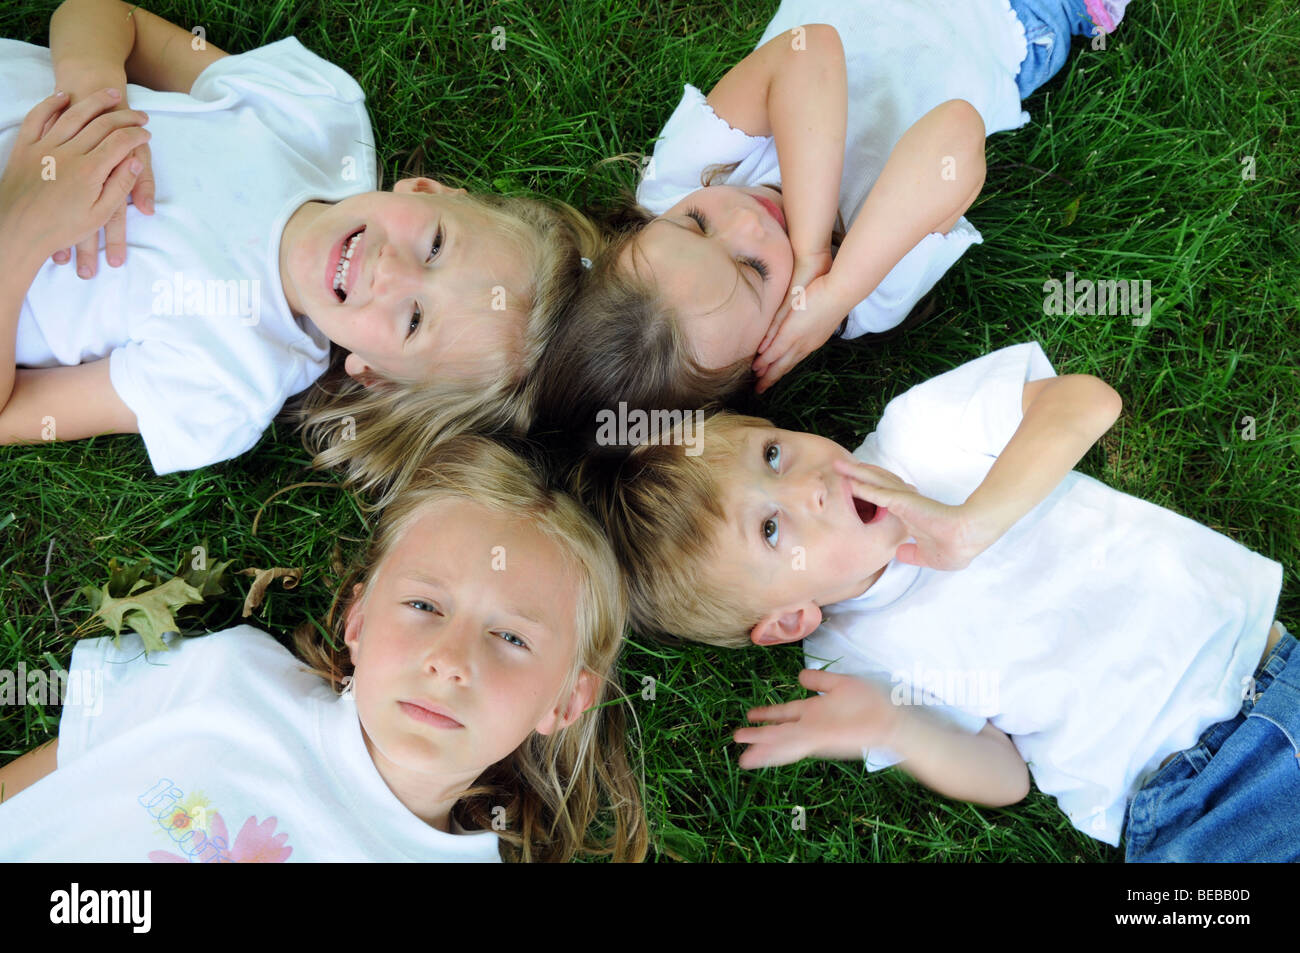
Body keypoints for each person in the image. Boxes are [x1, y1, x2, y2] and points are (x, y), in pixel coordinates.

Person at [581, 341, 1295, 861]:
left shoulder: (920, 434)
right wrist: (898, 727)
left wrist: (974, 519)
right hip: (1181, 812)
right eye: (771, 529)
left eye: (772, 455)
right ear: (790, 618)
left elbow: (1085, 401)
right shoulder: (855, 657)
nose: (811, 486)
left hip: (1261, 680)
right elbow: (1005, 775)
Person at [0, 0, 590, 493]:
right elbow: (106, 14)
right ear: (428, 189)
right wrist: (90, 95)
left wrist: (22, 233)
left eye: (414, 320)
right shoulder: (310, 120)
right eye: (435, 245)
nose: (392, 272)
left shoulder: (225, 383)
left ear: (374, 375)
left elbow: (12, 414)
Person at [0, 435, 647, 862]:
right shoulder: (229, 675)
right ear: (358, 620)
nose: (450, 660)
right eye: (424, 605)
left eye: (510, 637)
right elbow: (40, 783)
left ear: (567, 700)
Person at [534, 0, 1132, 446]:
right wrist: (835, 287)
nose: (745, 221)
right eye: (750, 269)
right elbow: (957, 130)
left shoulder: (678, 183)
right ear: (772, 351)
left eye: (695, 226)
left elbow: (811, 48)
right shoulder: (864, 294)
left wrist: (811, 248)